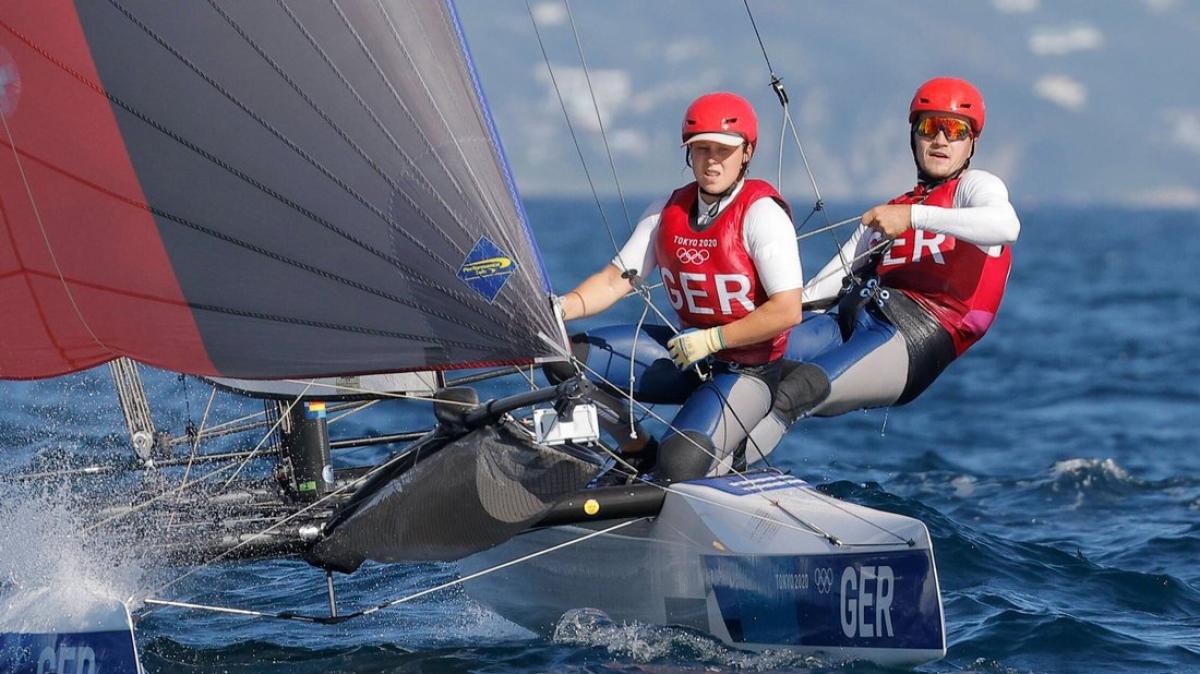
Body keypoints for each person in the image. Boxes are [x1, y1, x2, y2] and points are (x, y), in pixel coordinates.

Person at [740, 77, 1020, 463]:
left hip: (914, 341)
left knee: (797, 390)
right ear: (914, 136)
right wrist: (743, 326)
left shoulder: (973, 189)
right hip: (856, 324)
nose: (940, 139)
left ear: (972, 142)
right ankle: (657, 459)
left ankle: (713, 476)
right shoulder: (890, 212)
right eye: (928, 127)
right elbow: (820, 289)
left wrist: (914, 217)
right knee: (744, 361)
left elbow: (1007, 226)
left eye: (954, 130)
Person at [547, 92, 804, 483]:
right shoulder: (667, 210)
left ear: (747, 152)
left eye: (723, 149)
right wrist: (560, 308)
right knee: (560, 355)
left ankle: (718, 454)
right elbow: (616, 280)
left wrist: (713, 339)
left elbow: (787, 310)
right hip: (688, 359)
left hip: (747, 372)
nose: (712, 159)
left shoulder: (762, 214)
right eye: (701, 149)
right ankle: (636, 450)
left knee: (678, 465)